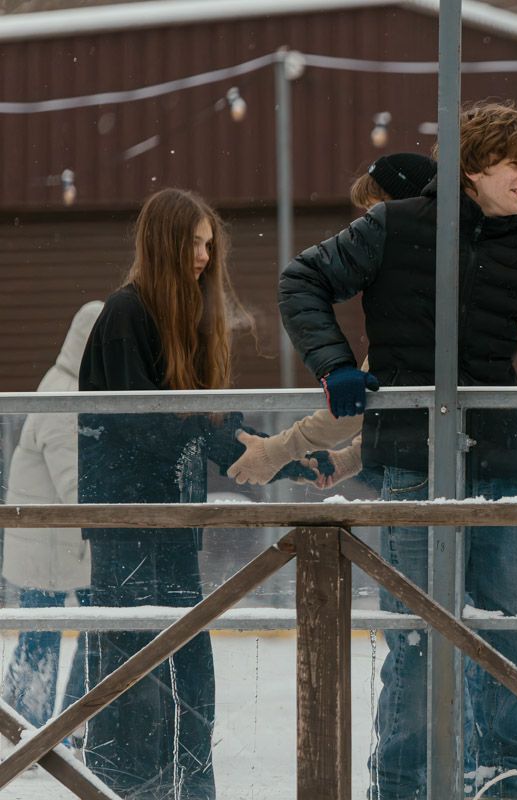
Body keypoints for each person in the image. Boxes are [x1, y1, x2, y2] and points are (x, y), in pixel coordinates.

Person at [279, 101, 517, 800]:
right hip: (411, 462)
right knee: (415, 642)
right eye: (516, 164)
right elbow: (303, 280)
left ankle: (510, 780)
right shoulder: (394, 227)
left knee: (511, 633)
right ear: (474, 166)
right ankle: (402, 787)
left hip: (496, 465)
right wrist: (335, 364)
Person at [78, 188, 312, 799]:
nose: (205, 255)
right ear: (163, 242)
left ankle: (187, 786)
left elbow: (214, 430)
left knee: (188, 670)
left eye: (210, 243)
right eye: (194, 241)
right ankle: (134, 790)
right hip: (127, 521)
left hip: (175, 520)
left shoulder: (188, 323)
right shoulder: (125, 314)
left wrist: (288, 457)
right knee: (136, 675)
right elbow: (143, 423)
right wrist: (230, 437)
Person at [228, 153, 438, 490]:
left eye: (376, 213)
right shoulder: (426, 279)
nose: (369, 226)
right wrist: (349, 458)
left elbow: (362, 399)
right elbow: (386, 391)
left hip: (421, 473)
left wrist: (275, 451)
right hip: (434, 461)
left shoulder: (421, 287)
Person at [2, 301, 102, 737]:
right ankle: (42, 728)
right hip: (49, 544)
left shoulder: (62, 382)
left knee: (38, 639)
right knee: (63, 634)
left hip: (46, 542)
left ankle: (23, 723)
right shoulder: (66, 397)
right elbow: (75, 488)